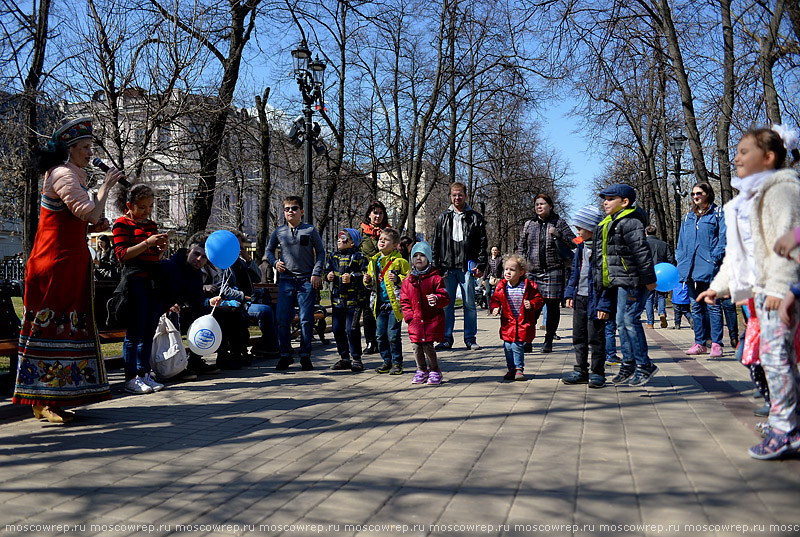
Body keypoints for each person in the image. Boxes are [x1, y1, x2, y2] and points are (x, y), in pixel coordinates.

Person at [699, 126, 800, 460]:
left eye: (745, 151)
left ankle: (787, 428)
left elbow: (786, 243)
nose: (737, 157)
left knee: (776, 359)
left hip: (776, 291)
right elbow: (739, 254)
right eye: (736, 151)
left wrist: (780, 287)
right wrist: (719, 286)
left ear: (769, 157)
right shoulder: (745, 201)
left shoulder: (782, 190)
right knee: (768, 359)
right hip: (757, 291)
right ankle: (785, 421)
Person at [13, 117, 121, 422]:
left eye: (90, 147)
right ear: (70, 149)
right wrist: (105, 189)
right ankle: (41, 400)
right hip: (54, 265)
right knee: (50, 327)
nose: (90, 153)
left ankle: (55, 397)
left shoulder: (74, 174)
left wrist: (94, 223)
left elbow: (79, 220)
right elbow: (87, 211)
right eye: (85, 147)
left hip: (68, 263)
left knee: (67, 328)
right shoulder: (62, 174)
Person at [594, 184, 659, 387]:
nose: (606, 202)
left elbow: (641, 252)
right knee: (622, 323)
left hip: (633, 280)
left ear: (625, 202)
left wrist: (649, 280)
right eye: (604, 198)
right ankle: (629, 363)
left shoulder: (630, 222)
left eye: (611, 198)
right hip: (622, 280)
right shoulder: (612, 221)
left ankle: (644, 365)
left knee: (630, 321)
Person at [112, 184, 169, 394]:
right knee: (135, 331)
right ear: (130, 206)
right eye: (142, 207)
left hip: (152, 280)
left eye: (150, 207)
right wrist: (147, 243)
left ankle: (144, 373)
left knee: (148, 330)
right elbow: (122, 254)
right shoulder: (121, 224)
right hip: (134, 281)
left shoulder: (151, 225)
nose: (147, 211)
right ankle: (131, 376)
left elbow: (152, 257)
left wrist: (159, 250)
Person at [266, 196, 325, 371]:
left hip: (306, 280)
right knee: (282, 319)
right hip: (286, 281)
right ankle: (285, 355)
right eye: (287, 209)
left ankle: (305, 356)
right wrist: (275, 263)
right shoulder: (279, 232)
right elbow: (269, 251)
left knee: (306, 320)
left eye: (294, 208)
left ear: (301, 211)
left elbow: (321, 252)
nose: (290, 211)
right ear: (283, 212)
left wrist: (316, 272)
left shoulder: (310, 230)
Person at [431, 182, 488, 351]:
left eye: (460, 194)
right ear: (450, 196)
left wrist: (481, 264)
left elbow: (482, 243)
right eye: (454, 195)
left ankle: (470, 339)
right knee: (446, 305)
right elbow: (436, 244)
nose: (457, 198)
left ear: (465, 195)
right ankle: (446, 339)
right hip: (447, 268)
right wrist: (436, 267)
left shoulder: (475, 217)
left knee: (470, 304)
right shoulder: (443, 217)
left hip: (467, 268)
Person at [517, 193, 577, 353]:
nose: (539, 207)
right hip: (533, 272)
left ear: (550, 206)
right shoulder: (529, 224)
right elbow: (522, 245)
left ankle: (548, 339)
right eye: (537, 204)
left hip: (554, 270)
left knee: (552, 307)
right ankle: (528, 339)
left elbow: (576, 242)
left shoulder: (559, 222)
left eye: (542, 204)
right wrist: (521, 265)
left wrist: (558, 234)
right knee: (531, 307)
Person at [675, 182, 727, 357]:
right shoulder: (688, 217)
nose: (695, 196)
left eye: (699, 193)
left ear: (707, 194)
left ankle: (716, 344)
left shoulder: (718, 214)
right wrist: (680, 258)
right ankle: (699, 343)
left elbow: (724, 238)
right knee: (695, 307)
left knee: (713, 306)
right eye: (692, 194)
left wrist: (714, 258)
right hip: (689, 269)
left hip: (710, 268)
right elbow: (681, 242)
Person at [562, 206, 610, 388]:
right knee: (578, 336)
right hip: (579, 297)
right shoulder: (581, 244)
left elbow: (607, 278)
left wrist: (604, 305)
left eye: (580, 228)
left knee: (596, 338)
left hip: (596, 299)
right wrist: (569, 293)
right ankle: (580, 370)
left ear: (592, 228)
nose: (577, 231)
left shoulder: (603, 247)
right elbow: (574, 271)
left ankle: (598, 372)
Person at [161, 233, 221, 377]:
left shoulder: (195, 274)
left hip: (179, 311)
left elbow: (197, 301)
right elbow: (158, 291)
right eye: (196, 254)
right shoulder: (170, 266)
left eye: (204, 257)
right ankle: (175, 368)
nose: (199, 259)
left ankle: (195, 361)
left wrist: (209, 302)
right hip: (161, 311)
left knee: (207, 315)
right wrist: (168, 305)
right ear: (188, 252)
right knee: (173, 317)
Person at [400, 242, 450, 386]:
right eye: (415, 255)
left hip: (430, 319)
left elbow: (445, 297)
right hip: (415, 320)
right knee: (416, 346)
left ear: (428, 258)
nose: (418, 258)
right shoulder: (408, 280)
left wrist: (436, 298)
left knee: (428, 345)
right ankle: (421, 370)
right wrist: (408, 316)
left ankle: (435, 370)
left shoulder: (436, 278)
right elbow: (404, 300)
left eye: (422, 255)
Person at [490, 255, 544, 381]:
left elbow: (539, 299)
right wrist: (495, 307)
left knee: (517, 346)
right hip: (507, 323)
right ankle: (511, 369)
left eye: (512, 270)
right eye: (506, 269)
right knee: (507, 346)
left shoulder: (528, 285)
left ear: (521, 272)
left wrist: (532, 304)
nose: (508, 272)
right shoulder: (501, 286)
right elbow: (495, 299)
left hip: (522, 322)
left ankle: (519, 369)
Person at [364, 227, 410, 374]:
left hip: (394, 305)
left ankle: (397, 363)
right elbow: (371, 283)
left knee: (393, 335)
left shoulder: (400, 262)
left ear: (395, 245)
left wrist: (398, 279)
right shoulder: (374, 261)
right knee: (380, 335)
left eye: (386, 240)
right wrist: (367, 280)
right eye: (380, 239)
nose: (381, 241)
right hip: (379, 304)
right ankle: (386, 361)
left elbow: (410, 281)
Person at [326, 228, 368, 372]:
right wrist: (329, 276)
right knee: (337, 329)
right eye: (338, 237)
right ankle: (344, 357)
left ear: (352, 243)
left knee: (352, 329)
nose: (339, 240)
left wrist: (353, 277)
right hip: (337, 301)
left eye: (343, 237)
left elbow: (365, 275)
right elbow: (327, 271)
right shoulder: (333, 256)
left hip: (354, 301)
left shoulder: (359, 257)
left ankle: (356, 358)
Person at [360, 201, 390, 354]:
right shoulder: (361, 232)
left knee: (383, 309)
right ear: (369, 214)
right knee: (368, 310)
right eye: (374, 213)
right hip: (367, 277)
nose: (377, 216)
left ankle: (383, 341)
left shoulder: (389, 232)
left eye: (380, 213)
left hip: (385, 276)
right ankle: (370, 342)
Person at [644, 225, 674, 329]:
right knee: (661, 295)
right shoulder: (663, 244)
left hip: (648, 273)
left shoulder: (644, 244)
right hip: (662, 273)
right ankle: (662, 313)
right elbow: (670, 259)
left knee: (649, 298)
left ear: (646, 233)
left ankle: (650, 323)